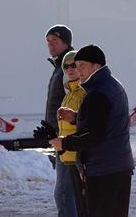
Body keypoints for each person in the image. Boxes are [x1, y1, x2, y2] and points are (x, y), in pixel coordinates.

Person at [49, 44, 134, 217]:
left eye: (82, 65)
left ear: (97, 66)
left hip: (103, 170)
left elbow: (94, 136)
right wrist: (76, 117)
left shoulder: (96, 93)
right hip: (117, 166)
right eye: (76, 65)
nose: (78, 70)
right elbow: (104, 121)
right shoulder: (110, 84)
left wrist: (64, 142)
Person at [45, 25, 78, 217]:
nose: (50, 45)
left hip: (69, 138)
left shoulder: (69, 64)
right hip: (61, 135)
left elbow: (76, 98)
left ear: (66, 42)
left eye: (54, 41)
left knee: (64, 193)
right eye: (48, 41)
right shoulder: (59, 65)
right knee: (67, 191)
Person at [59, 50, 87, 217]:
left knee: (67, 198)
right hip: (65, 153)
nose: (69, 69)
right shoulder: (69, 92)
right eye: (66, 66)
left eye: (73, 65)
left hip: (76, 155)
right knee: (68, 198)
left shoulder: (83, 91)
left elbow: (86, 124)